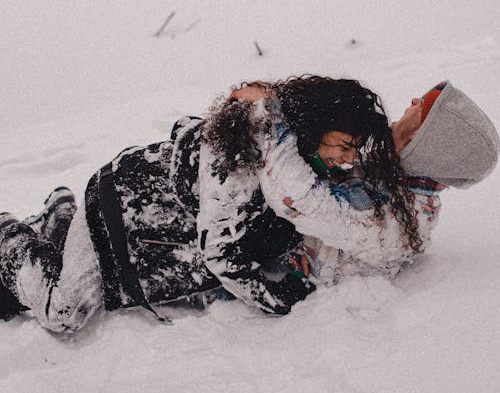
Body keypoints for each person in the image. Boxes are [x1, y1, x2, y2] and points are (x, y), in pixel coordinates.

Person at [0, 76, 411, 331]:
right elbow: (221, 253)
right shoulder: (238, 159)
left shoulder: (295, 160)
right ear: (314, 128)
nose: (347, 158)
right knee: (65, 312)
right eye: (343, 146)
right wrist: (278, 299)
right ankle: (11, 233)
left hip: (146, 234)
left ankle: (60, 218)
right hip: (116, 207)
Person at [228, 79, 498, 285]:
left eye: (424, 108)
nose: (415, 101)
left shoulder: (393, 212)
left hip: (265, 275)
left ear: (424, 142)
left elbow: (295, 198)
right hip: (257, 243)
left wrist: (268, 114)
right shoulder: (394, 181)